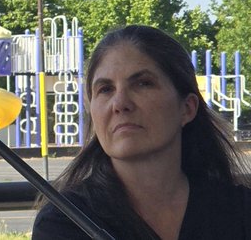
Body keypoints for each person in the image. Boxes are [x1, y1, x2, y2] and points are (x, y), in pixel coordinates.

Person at [32, 25, 251, 239]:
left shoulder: (241, 212)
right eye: (105, 89)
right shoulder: (63, 223)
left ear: (187, 108)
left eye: (143, 84)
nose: (120, 103)